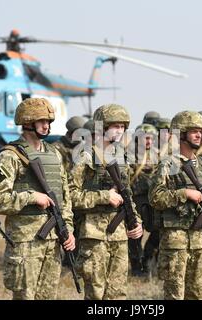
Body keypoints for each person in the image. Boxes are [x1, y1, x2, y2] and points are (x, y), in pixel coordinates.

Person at [0, 97, 75, 300]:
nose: (47, 125)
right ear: (27, 123)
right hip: (25, 242)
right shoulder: (10, 156)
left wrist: (68, 229)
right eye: (41, 121)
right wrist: (31, 197)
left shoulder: (54, 154)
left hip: (53, 239)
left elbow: (65, 197)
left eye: (49, 121)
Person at [149, 110, 202, 300]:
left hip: (200, 239)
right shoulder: (167, 164)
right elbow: (155, 197)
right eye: (194, 131)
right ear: (181, 134)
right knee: (175, 294)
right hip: (175, 239)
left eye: (201, 131)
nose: (200, 135)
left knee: (198, 293)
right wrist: (184, 193)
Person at [69, 103, 143, 300]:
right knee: (95, 294)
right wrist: (104, 196)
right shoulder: (85, 157)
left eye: (122, 127)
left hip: (119, 235)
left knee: (118, 293)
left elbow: (127, 195)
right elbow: (70, 195)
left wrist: (136, 222)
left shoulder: (121, 158)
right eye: (114, 126)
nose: (119, 131)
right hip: (94, 236)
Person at [129, 123, 159, 277]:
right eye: (146, 138)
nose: (149, 141)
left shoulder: (157, 155)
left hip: (153, 201)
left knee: (157, 231)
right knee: (135, 235)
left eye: (151, 138)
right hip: (135, 200)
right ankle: (136, 266)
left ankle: (147, 259)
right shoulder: (129, 155)